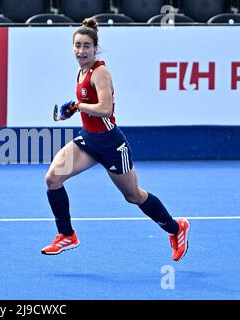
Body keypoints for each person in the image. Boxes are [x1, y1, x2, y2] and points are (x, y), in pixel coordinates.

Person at [41, 17, 190, 261]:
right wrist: (73, 109)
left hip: (112, 144)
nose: (81, 50)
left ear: (95, 48)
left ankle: (176, 229)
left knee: (133, 196)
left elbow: (105, 109)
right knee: (53, 178)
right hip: (89, 141)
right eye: (77, 45)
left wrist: (79, 106)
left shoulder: (100, 72)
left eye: (86, 46)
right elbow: (90, 108)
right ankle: (67, 235)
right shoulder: (81, 71)